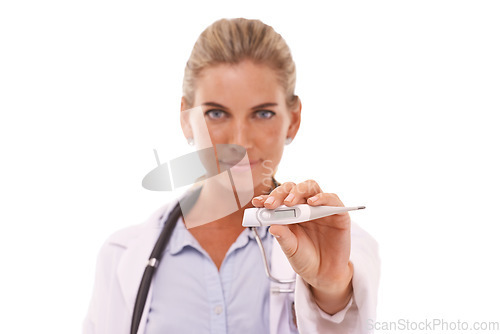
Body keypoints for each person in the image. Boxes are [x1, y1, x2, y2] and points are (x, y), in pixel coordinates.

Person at [83, 18, 380, 334]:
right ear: (187, 119)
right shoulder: (121, 257)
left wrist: (330, 289)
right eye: (216, 113)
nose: (240, 140)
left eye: (263, 113)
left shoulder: (337, 243)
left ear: (293, 120)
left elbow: (348, 319)